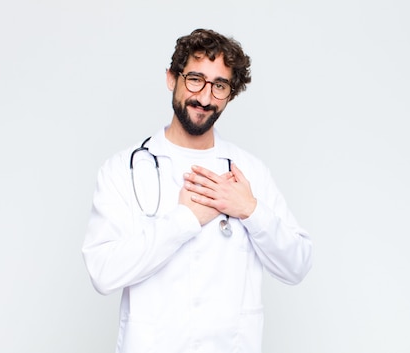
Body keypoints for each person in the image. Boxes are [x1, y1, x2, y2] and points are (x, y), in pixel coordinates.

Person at [81, 28, 313, 353]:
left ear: (230, 93)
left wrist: (250, 210)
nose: (205, 98)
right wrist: (184, 220)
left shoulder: (249, 172)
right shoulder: (123, 170)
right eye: (195, 79)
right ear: (171, 78)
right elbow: (103, 272)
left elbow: (297, 265)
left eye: (219, 86)